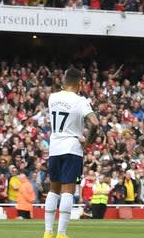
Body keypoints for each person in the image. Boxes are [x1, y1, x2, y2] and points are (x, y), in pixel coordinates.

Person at [44, 67, 100, 238]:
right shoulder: (80, 100)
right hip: (72, 149)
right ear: (80, 82)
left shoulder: (52, 98)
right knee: (67, 191)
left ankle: (47, 232)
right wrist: (88, 142)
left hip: (54, 148)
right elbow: (95, 123)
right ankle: (61, 234)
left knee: (53, 189)